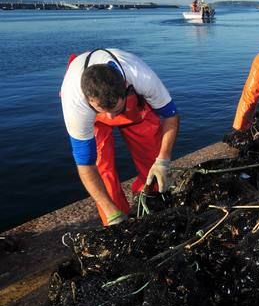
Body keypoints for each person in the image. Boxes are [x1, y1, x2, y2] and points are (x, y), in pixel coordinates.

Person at [60, 49, 180, 225]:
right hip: (92, 116)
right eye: (104, 112)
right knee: (102, 168)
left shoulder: (141, 76)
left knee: (152, 157)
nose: (110, 118)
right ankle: (115, 215)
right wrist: (111, 212)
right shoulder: (75, 103)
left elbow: (171, 115)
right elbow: (85, 164)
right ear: (88, 99)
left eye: (115, 110)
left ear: (125, 87)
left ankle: (150, 199)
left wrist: (163, 160)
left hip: (130, 108)